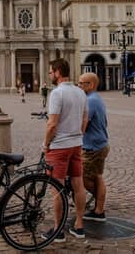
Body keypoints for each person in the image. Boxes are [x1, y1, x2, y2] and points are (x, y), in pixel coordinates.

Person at [43, 58, 87, 242]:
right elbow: (85, 120)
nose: (50, 74)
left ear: (58, 72)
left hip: (59, 147)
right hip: (76, 145)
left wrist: (46, 143)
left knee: (57, 189)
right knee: (78, 186)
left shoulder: (57, 93)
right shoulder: (80, 92)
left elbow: (52, 124)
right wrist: (77, 136)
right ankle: (78, 226)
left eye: (51, 71)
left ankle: (58, 229)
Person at [78, 72, 109, 222]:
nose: (79, 85)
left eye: (81, 83)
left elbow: (83, 123)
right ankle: (99, 209)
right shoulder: (96, 98)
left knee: (82, 177)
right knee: (96, 175)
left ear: (91, 85)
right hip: (100, 143)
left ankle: (100, 206)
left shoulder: (91, 101)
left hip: (93, 147)